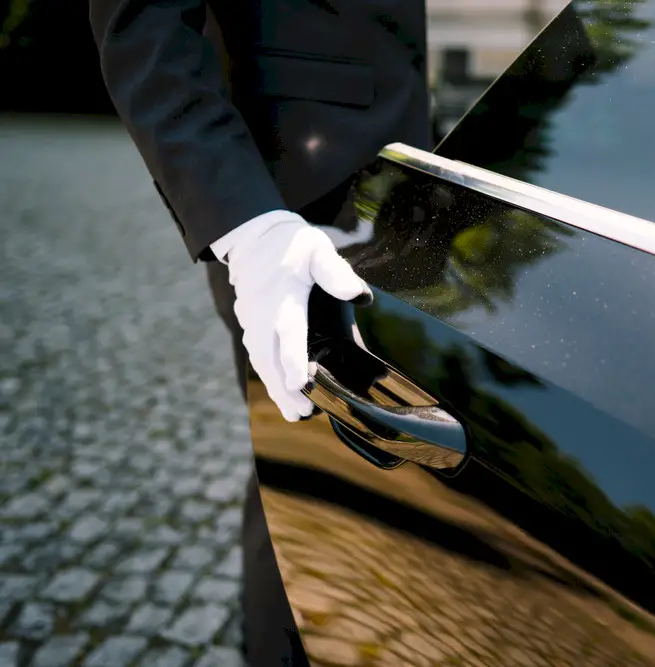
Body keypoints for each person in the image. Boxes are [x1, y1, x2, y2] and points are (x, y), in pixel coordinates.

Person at [87, 0, 431, 664]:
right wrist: (247, 223)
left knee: (332, 472)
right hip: (296, 198)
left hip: (415, 177)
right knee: (307, 475)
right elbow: (141, 19)